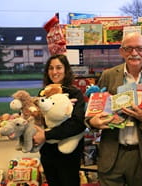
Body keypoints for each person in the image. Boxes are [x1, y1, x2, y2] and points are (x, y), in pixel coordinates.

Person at [85, 32, 142, 186]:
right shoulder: (108, 75)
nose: (134, 53)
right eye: (128, 49)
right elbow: (93, 109)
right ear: (121, 51)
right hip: (112, 154)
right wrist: (93, 122)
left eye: (139, 48)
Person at [33, 54, 86, 186]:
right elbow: (40, 118)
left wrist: (46, 135)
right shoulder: (43, 93)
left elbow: (78, 124)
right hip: (47, 152)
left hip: (68, 154)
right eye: (51, 68)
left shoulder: (75, 93)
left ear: (66, 70)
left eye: (58, 67)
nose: (54, 72)